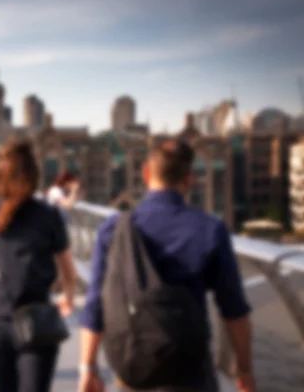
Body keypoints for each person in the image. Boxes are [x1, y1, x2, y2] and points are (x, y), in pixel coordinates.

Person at [78, 139, 255, 392]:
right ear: (189, 178)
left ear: (146, 173)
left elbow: (95, 302)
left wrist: (88, 366)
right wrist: (245, 369)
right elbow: (234, 310)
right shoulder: (210, 229)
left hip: (133, 368)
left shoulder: (113, 229)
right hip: (189, 372)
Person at [0, 138, 77, 392]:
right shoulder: (49, 215)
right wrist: (67, 296)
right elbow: (68, 270)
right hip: (36, 321)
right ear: (33, 175)